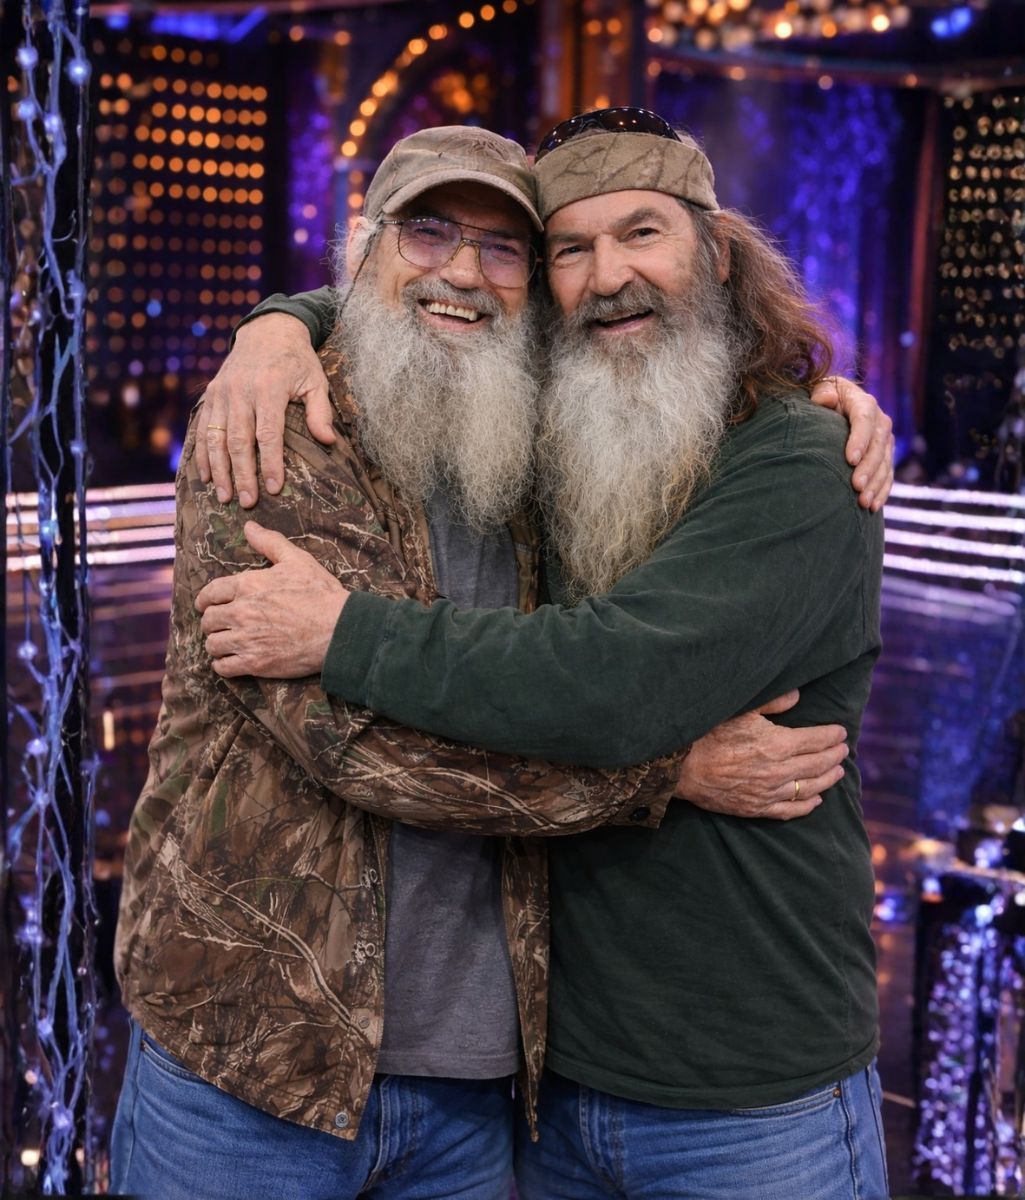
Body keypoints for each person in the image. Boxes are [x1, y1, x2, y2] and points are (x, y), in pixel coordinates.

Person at [111, 125, 851, 1200]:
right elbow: (356, 748)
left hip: (480, 1094)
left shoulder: (543, 439)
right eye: (426, 232)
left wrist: (825, 400)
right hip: (253, 1066)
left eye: (504, 248)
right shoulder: (272, 428)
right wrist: (666, 774)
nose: (462, 270)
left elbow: (597, 671)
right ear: (362, 248)